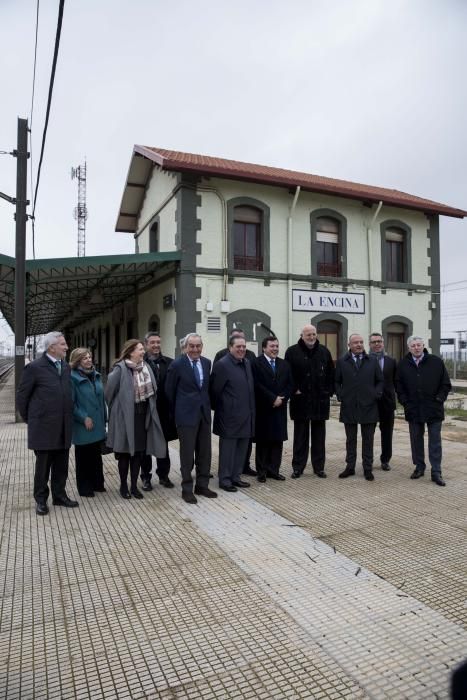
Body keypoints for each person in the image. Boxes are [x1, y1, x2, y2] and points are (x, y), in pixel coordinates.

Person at [17, 331, 78, 515]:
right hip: (43, 427)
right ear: (52, 347)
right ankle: (41, 500)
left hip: (63, 425)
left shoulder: (65, 367)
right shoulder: (35, 368)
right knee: (43, 466)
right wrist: (32, 419)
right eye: (63, 344)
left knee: (62, 464)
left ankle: (59, 496)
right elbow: (22, 397)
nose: (66, 347)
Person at [105, 339, 166, 499]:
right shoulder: (120, 369)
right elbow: (109, 394)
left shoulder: (146, 368)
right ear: (131, 352)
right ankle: (123, 486)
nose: (143, 351)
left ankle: (134, 486)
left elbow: (153, 391)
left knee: (138, 453)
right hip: (125, 419)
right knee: (125, 453)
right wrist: (118, 411)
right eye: (140, 349)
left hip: (142, 417)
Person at [165, 333, 217, 503]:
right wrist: (179, 411)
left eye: (198, 346)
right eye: (192, 346)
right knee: (187, 455)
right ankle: (187, 488)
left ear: (202, 346)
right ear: (185, 347)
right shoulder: (177, 364)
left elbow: (206, 389)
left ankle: (202, 485)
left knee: (205, 453)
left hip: (203, 414)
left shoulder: (206, 363)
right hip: (186, 416)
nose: (195, 349)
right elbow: (169, 392)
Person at [396, 335, 451, 486]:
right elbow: (399, 387)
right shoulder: (403, 364)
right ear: (409, 348)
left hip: (434, 408)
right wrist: (405, 402)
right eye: (413, 346)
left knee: (435, 441)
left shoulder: (436, 362)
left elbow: (445, 384)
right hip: (413, 409)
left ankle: (436, 472)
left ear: (423, 345)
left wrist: (439, 399)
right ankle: (419, 467)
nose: (416, 348)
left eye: (419, 345)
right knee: (416, 440)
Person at [284, 324, 335, 479]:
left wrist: (328, 392)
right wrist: (294, 390)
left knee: (319, 437)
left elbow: (331, 375)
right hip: (300, 401)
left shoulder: (324, 351)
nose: (312, 337)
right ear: (302, 335)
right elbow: (287, 374)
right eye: (308, 335)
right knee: (300, 436)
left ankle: (319, 467)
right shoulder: (292, 352)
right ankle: (298, 467)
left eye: (313, 334)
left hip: (320, 401)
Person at [335, 333, 384, 481]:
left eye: (361, 342)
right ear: (349, 345)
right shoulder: (342, 362)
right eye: (355, 342)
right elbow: (336, 382)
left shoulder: (372, 361)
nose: (359, 345)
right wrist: (341, 395)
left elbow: (380, 381)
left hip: (369, 406)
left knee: (368, 440)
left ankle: (367, 469)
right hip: (349, 406)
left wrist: (376, 394)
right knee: (351, 440)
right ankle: (350, 467)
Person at [210, 335, 255, 492]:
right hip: (229, 417)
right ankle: (225, 479)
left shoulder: (247, 363)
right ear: (230, 347)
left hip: (246, 415)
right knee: (228, 450)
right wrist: (226, 408)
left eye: (244, 347)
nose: (242, 349)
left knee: (242, 449)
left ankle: (236, 477)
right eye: (238, 347)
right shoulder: (222, 365)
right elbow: (214, 391)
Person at [139, 332, 177, 491]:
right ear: (146, 344)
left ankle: (163, 475)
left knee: (163, 446)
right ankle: (146, 478)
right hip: (146, 411)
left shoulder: (170, 363)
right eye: (152, 342)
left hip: (164, 412)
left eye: (158, 342)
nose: (156, 345)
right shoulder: (140, 364)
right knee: (145, 447)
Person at [252, 337, 293, 482]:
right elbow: (256, 385)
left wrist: (282, 399)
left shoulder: (284, 364)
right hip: (264, 408)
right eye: (272, 346)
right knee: (263, 441)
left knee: (277, 441)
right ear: (264, 348)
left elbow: (290, 384)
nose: (275, 349)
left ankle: (273, 470)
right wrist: (272, 398)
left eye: (277, 346)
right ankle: (261, 472)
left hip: (280, 408)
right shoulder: (256, 363)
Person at [70, 347, 107, 497]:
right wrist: (83, 417)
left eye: (90, 357)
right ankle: (85, 488)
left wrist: (106, 418)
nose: (89, 360)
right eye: (85, 358)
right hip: (83, 423)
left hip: (98, 422)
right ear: (77, 361)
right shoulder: (72, 377)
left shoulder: (96, 375)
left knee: (96, 455)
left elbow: (101, 399)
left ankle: (98, 484)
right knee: (83, 456)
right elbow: (70, 403)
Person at [368, 332, 397, 471]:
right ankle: (368, 460)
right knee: (369, 434)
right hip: (370, 403)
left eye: (379, 341)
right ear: (370, 345)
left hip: (387, 403)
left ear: (383, 343)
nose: (377, 344)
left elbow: (396, 382)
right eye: (374, 342)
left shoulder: (391, 361)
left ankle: (385, 460)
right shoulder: (365, 360)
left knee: (387, 434)